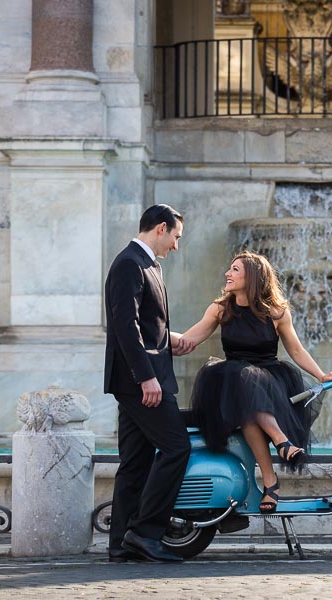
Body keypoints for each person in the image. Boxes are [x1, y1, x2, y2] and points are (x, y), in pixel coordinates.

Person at [179, 251, 332, 513]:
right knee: (242, 382)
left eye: (235, 270)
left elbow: (297, 351)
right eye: (229, 269)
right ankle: (282, 444)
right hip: (230, 383)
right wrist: (155, 337)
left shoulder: (277, 313)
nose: (227, 274)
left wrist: (322, 375)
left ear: (253, 277)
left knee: (249, 409)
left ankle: (270, 481)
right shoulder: (220, 309)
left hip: (270, 382)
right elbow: (187, 340)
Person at [104, 204, 192, 563]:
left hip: (141, 378)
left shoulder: (146, 264)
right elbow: (125, 327)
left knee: (135, 462)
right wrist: (147, 378)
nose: (176, 246)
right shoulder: (129, 264)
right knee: (177, 448)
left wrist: (171, 338)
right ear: (160, 228)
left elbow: (145, 324)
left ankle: (121, 543)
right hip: (141, 382)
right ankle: (144, 532)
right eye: (175, 237)